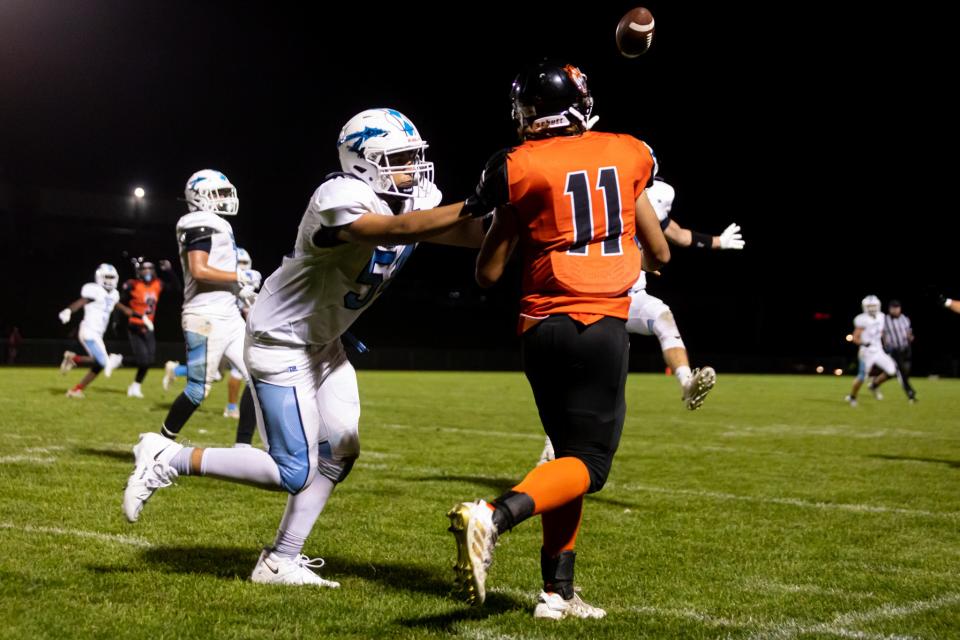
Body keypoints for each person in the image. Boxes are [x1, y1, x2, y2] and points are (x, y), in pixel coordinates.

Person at [122, 107, 486, 587]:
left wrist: (524, 226)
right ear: (363, 161)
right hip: (281, 339)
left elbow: (463, 232)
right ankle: (165, 457)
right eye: (399, 158)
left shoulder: (414, 197)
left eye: (413, 157)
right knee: (292, 470)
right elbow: (397, 230)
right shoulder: (339, 196)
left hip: (322, 339)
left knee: (340, 450)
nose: (412, 169)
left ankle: (280, 559)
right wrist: (480, 200)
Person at [446, 61, 670, 620]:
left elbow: (488, 273)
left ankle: (558, 593)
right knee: (589, 464)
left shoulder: (518, 165)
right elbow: (659, 251)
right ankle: (493, 517)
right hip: (597, 323)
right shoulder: (629, 152)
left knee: (565, 456)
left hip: (538, 329)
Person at [537, 177, 743, 463]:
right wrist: (643, 261)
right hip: (594, 295)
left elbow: (678, 235)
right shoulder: (599, 202)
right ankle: (554, 440)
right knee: (586, 374)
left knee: (663, 316)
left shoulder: (652, 198)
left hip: (631, 295)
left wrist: (718, 242)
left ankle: (686, 382)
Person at [154, 169, 259, 445]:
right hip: (204, 318)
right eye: (218, 193)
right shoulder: (197, 221)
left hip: (228, 315)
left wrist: (240, 290)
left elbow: (218, 269)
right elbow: (199, 270)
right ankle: (159, 446)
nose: (224, 198)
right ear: (199, 197)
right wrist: (238, 277)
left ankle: (242, 447)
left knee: (259, 377)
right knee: (197, 391)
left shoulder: (217, 222)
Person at [58, 264, 127, 397]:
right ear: (99, 277)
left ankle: (76, 388)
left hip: (98, 334)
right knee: (105, 362)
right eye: (106, 277)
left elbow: (122, 309)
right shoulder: (94, 291)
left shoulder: (114, 294)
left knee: (99, 364)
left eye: (112, 277)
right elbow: (81, 301)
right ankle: (76, 360)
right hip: (89, 331)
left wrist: (140, 317)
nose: (109, 280)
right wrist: (68, 310)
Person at [119, 258, 179, 398]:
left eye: (150, 268)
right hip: (135, 325)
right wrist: (117, 322)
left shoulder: (157, 284)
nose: (147, 271)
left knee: (149, 361)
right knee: (143, 360)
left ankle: (135, 386)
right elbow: (120, 303)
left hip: (149, 326)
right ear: (139, 271)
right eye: (144, 269)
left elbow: (176, 288)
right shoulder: (133, 285)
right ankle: (120, 361)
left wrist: (169, 271)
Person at [845, 294, 898, 406]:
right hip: (866, 352)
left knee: (892, 371)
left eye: (874, 306)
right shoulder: (862, 319)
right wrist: (864, 343)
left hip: (878, 350)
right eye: (869, 306)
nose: (872, 308)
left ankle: (874, 385)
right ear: (865, 307)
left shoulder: (882, 316)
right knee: (862, 377)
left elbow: (882, 332)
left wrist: (887, 343)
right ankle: (852, 397)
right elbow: (855, 338)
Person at [883, 300, 916, 402]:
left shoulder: (904, 319)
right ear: (890, 309)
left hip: (905, 348)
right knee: (901, 371)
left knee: (900, 371)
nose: (895, 310)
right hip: (894, 349)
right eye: (893, 308)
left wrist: (910, 337)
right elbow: (882, 334)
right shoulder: (885, 320)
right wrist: (885, 345)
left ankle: (874, 384)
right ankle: (910, 393)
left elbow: (908, 332)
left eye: (897, 307)